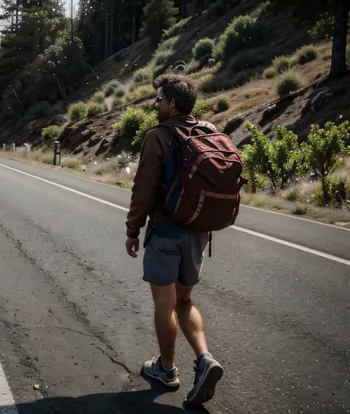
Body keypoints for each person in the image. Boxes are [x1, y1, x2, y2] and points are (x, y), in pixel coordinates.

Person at [124, 74, 224, 405]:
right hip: (198, 231)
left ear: (171, 104)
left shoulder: (159, 135)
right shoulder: (210, 131)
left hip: (166, 230)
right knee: (184, 301)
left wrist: (132, 230)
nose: (155, 104)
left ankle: (166, 369)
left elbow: (144, 188)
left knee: (164, 304)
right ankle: (205, 357)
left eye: (158, 99)